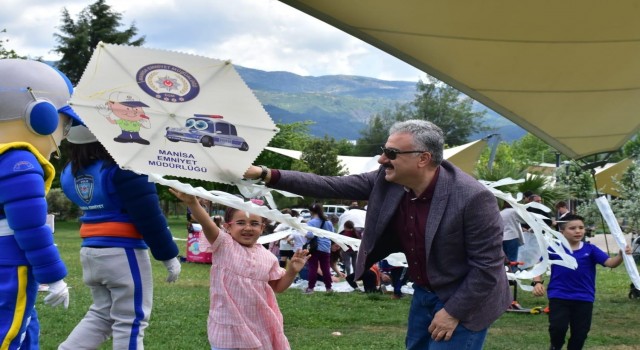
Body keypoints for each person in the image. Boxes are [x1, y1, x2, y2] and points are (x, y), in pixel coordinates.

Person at [244, 119, 510, 349]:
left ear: (423, 158)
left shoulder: (473, 198)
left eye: (391, 153)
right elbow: (330, 184)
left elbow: (487, 268)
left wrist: (453, 312)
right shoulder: (386, 179)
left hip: (467, 298)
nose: (383, 159)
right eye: (384, 151)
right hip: (424, 292)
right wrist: (265, 174)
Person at [58, 125, 181, 350]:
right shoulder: (125, 167)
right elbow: (149, 216)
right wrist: (168, 255)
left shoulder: (69, 171)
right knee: (131, 320)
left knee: (102, 314)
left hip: (91, 251)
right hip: (123, 252)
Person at [0, 59, 82, 349]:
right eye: (66, 123)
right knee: (9, 331)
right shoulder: (19, 161)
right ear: (41, 116)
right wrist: (54, 275)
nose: (65, 133)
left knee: (25, 327)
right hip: (10, 264)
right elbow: (31, 227)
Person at [169, 189, 309, 350]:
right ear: (228, 227)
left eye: (254, 223)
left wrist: (292, 271)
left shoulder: (268, 257)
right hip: (228, 327)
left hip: (259, 325)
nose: (248, 228)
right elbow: (207, 224)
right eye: (241, 223)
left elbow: (278, 287)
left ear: (263, 228)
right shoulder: (224, 244)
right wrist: (193, 203)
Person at [532, 214, 632, 350]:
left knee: (580, 333)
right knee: (557, 328)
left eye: (581, 228)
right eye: (572, 228)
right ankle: (555, 346)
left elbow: (610, 263)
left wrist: (621, 255)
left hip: (584, 297)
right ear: (561, 232)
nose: (578, 231)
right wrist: (537, 282)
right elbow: (538, 266)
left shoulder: (590, 250)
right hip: (559, 295)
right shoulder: (554, 248)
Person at [303, 203, 335, 294]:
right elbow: (332, 234)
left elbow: (310, 235)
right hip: (326, 248)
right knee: (326, 268)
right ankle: (329, 288)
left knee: (313, 267)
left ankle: (311, 288)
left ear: (311, 212)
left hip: (315, 248)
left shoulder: (311, 222)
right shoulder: (328, 222)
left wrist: (306, 235)